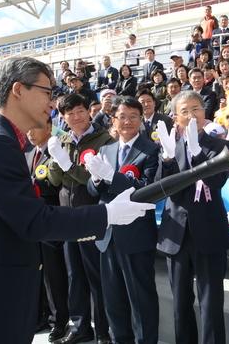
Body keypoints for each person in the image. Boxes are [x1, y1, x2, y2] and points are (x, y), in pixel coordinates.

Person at [0, 57, 154, 344]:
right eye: (47, 93)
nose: (52, 104)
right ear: (18, 90)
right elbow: (34, 220)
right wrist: (108, 214)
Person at [155, 91, 229, 344]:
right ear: (175, 117)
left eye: (196, 109)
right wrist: (167, 159)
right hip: (176, 232)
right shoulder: (169, 146)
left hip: (209, 231)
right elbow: (161, 188)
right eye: (184, 111)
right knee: (180, 302)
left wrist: (198, 153)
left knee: (211, 302)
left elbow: (217, 181)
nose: (191, 116)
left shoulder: (219, 146)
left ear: (204, 113)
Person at [86, 96, 161, 344]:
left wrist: (112, 176)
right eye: (122, 116)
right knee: (113, 299)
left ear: (141, 120)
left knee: (141, 299)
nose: (127, 121)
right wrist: (97, 179)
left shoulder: (151, 150)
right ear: (112, 120)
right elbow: (94, 191)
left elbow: (146, 190)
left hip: (136, 235)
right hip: (108, 235)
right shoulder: (106, 149)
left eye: (133, 116)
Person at [46, 93, 116, 344]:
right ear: (62, 117)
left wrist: (69, 167)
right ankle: (80, 326)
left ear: (88, 111)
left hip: (92, 213)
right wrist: (56, 159)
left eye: (80, 111)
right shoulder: (62, 139)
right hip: (67, 214)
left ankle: (104, 330)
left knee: (96, 275)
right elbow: (55, 181)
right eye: (69, 113)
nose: (75, 117)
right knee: (74, 274)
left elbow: (95, 180)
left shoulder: (104, 139)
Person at [25, 119, 70, 342]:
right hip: (32, 222)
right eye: (28, 129)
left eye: (36, 128)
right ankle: (42, 314)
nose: (30, 133)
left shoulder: (56, 152)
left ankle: (59, 320)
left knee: (54, 274)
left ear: (49, 128)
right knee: (38, 271)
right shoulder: (28, 154)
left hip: (51, 219)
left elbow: (58, 185)